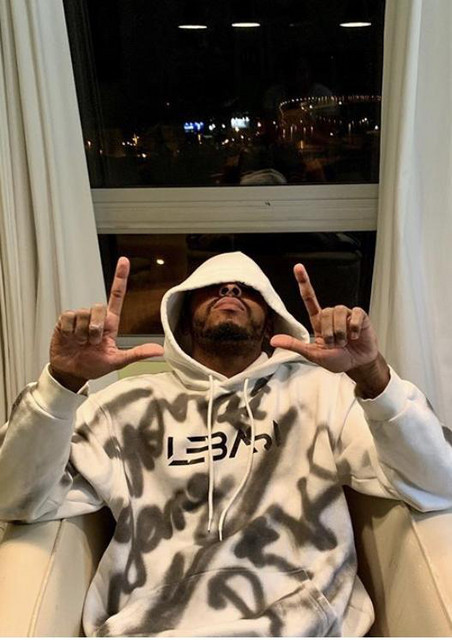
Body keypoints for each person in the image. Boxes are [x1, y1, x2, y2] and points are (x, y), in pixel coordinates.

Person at [0, 251, 451, 637]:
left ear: (271, 319)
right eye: (212, 287)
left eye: (246, 289)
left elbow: (437, 481)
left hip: (302, 627)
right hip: (151, 629)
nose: (230, 290)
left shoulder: (322, 393)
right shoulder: (124, 405)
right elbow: (14, 498)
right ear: (182, 317)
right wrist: (62, 382)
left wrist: (372, 374)